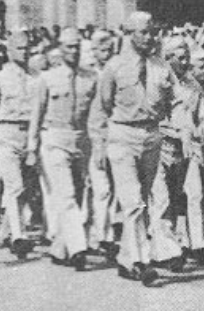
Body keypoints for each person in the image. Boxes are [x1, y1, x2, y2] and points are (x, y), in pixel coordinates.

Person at [89, 11, 175, 286]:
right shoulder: (114, 67)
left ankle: (127, 258)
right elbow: (100, 110)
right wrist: (99, 146)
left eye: (152, 32)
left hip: (152, 135)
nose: (150, 37)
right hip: (122, 134)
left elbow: (174, 102)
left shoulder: (161, 66)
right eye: (143, 32)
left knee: (145, 200)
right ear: (129, 33)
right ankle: (141, 261)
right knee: (133, 200)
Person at [29, 27, 97, 271]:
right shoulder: (47, 79)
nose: (75, 50)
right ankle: (79, 249)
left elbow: (97, 114)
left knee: (79, 196)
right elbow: (36, 116)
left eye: (78, 46)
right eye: (69, 46)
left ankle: (60, 248)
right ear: (60, 48)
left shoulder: (91, 78)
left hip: (80, 141)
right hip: (53, 140)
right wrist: (31, 147)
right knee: (66, 195)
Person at [0, 31, 40, 259]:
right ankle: (19, 237)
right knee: (14, 186)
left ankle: (5, 231)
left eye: (27, 48)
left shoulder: (36, 78)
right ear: (8, 50)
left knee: (24, 189)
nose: (23, 52)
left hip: (30, 134)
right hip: (7, 132)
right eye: (19, 48)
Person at [149, 36, 192, 272]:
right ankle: (169, 250)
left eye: (187, 57)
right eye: (180, 58)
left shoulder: (191, 84)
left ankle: (163, 247)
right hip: (159, 141)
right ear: (168, 57)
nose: (185, 62)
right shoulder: (157, 77)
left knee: (175, 200)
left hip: (181, 147)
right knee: (161, 198)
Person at [84, 30, 120, 260]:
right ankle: (96, 236)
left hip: (112, 135)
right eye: (103, 50)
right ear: (94, 52)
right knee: (97, 188)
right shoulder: (88, 75)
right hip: (90, 136)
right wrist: (96, 142)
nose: (107, 55)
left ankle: (103, 235)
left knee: (107, 189)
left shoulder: (115, 72)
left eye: (110, 50)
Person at [181, 48, 204, 263]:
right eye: (201, 67)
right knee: (194, 194)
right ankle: (195, 241)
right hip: (190, 147)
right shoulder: (185, 91)